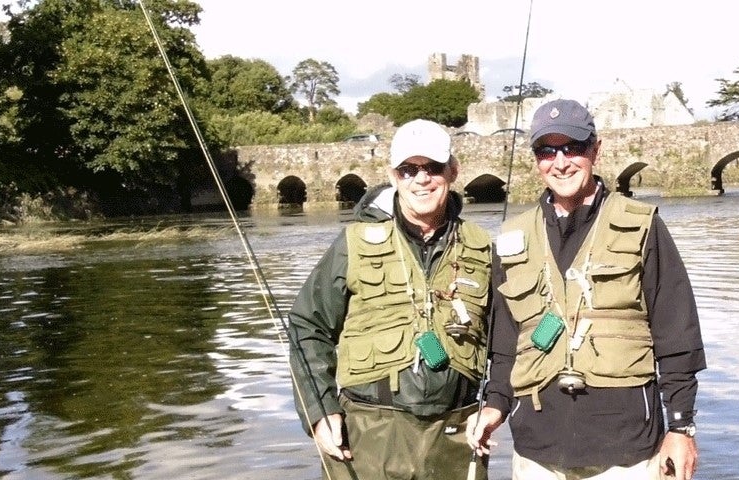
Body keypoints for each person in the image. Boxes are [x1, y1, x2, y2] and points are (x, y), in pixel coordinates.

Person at [467, 99, 706, 480]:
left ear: (596, 150)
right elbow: (505, 341)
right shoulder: (512, 238)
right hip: (537, 451)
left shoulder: (643, 226)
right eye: (547, 151)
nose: (560, 162)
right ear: (536, 160)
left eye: (573, 147)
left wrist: (681, 426)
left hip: (626, 449)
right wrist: (495, 405)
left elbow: (677, 335)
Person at [288, 119, 493, 479]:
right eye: (408, 169)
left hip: (456, 437)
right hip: (368, 436)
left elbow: (507, 341)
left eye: (433, 167)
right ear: (393, 176)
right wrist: (319, 411)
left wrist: (497, 405)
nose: (421, 179)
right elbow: (308, 325)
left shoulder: (483, 247)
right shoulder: (353, 243)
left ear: (453, 171)